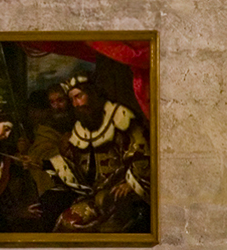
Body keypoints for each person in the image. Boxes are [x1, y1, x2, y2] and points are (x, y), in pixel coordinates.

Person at [45, 75, 151, 233]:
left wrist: (130, 184)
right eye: (72, 99)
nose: (76, 104)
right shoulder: (81, 127)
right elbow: (78, 166)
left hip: (124, 197)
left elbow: (141, 152)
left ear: (93, 94)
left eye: (79, 97)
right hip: (96, 195)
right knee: (66, 221)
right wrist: (48, 164)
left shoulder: (121, 117)